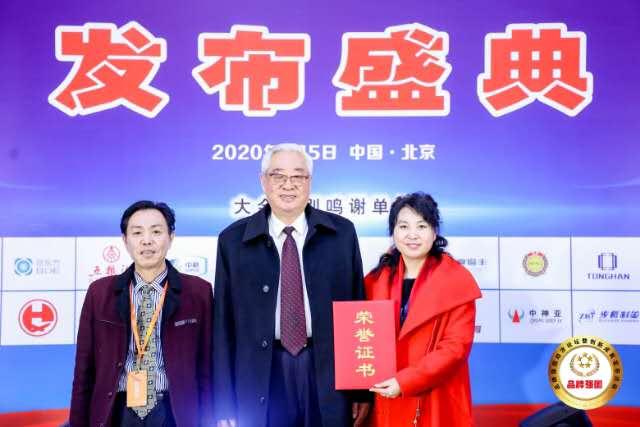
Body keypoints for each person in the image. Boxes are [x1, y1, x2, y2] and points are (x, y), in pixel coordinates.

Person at [214, 143, 370, 427]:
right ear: (263, 181)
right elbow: (223, 327)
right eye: (278, 176)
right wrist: (224, 403)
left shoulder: (341, 233)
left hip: (326, 372)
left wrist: (361, 390)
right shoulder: (233, 241)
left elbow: (357, 310)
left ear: (310, 181)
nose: (288, 185)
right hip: (261, 373)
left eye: (298, 176)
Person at [70, 201, 214, 427]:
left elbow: (207, 367)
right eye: (137, 233)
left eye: (156, 231)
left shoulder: (198, 292)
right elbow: (83, 371)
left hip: (174, 411)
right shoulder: (100, 293)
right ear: (125, 240)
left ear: (171, 237)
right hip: (117, 411)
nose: (147, 240)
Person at [364, 192, 481, 427]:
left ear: (434, 232)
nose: (412, 235)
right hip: (384, 395)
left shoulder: (455, 280)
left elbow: (455, 348)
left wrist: (406, 381)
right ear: (393, 232)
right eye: (403, 226)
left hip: (436, 395)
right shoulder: (376, 280)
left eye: (421, 226)